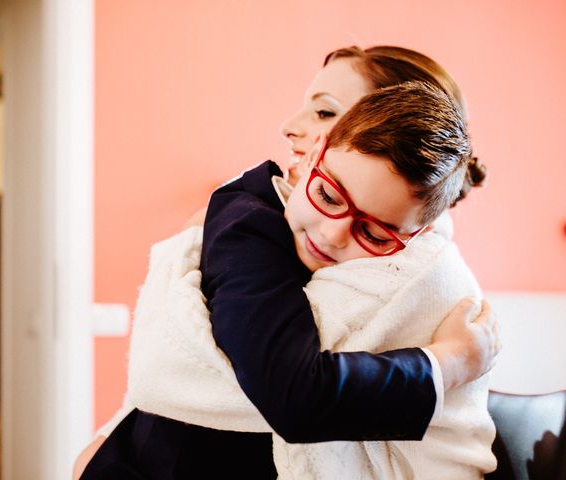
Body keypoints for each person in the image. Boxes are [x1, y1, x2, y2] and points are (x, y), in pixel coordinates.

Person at [75, 47, 499, 479]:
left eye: (322, 111)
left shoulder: (421, 270)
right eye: (330, 196)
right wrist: (450, 361)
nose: (290, 127)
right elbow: (280, 388)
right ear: (325, 153)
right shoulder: (252, 224)